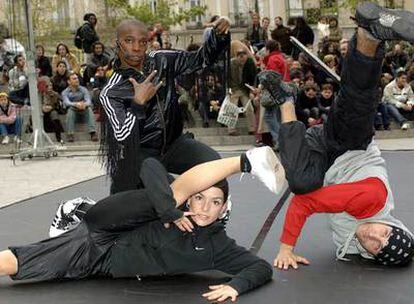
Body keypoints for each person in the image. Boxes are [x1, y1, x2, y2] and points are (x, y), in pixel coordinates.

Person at [0, 147, 284, 302]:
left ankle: (77, 209)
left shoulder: (216, 245)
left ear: (224, 208)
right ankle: (247, 161)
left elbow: (260, 268)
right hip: (108, 226)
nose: (205, 208)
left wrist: (236, 286)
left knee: (28, 265)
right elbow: (149, 165)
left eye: (214, 202)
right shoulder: (177, 204)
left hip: (97, 262)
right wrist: (169, 212)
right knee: (169, 198)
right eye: (199, 198)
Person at [252, 3, 414, 269]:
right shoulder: (370, 199)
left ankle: (286, 99)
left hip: (326, 162)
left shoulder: (355, 244)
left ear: (370, 256)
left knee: (302, 180)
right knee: (359, 101)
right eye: (383, 233)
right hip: (348, 147)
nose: (373, 236)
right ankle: (370, 35)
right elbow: (304, 204)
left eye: (376, 246)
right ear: (389, 223)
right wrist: (286, 248)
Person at [99, 18, 230, 194]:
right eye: (129, 41)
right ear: (117, 44)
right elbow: (122, 135)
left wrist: (217, 37)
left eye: (143, 41)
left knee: (215, 168)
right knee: (166, 195)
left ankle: (212, 216)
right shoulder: (111, 91)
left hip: (174, 145)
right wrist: (138, 104)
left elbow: (199, 61)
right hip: (140, 155)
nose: (137, 47)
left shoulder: (161, 60)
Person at [62, 72, 97, 142]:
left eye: (77, 78)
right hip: (73, 111)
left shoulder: (83, 89)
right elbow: (66, 102)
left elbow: (88, 101)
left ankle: (93, 133)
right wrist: (76, 104)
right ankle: (70, 134)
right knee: (70, 111)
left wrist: (84, 105)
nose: (77, 80)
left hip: (83, 110)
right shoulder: (65, 92)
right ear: (69, 81)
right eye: (74, 79)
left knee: (89, 109)